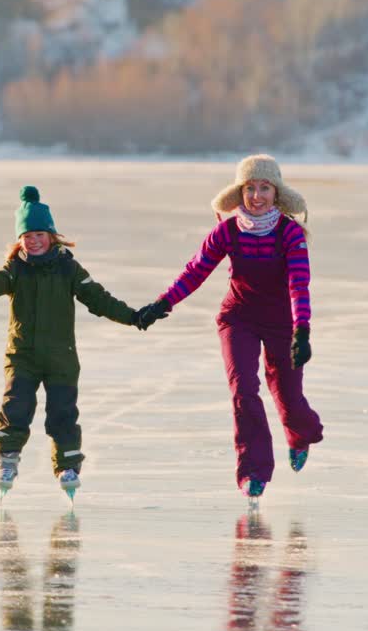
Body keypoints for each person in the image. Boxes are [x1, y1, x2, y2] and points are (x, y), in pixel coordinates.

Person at [135, 154, 323, 499]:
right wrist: (163, 303)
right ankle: (253, 471)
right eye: (250, 188)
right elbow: (196, 270)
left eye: (264, 188)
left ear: (276, 193)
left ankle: (301, 434)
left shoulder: (290, 234)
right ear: (240, 193)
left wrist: (302, 331)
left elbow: (299, 284)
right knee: (243, 389)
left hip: (283, 322)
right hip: (239, 318)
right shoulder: (227, 231)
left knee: (290, 399)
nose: (257, 195)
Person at [0, 186, 162, 498]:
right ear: (20, 240)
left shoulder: (69, 268)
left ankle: (67, 466)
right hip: (23, 356)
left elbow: (99, 299)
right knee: (16, 405)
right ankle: (7, 458)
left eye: (40, 234)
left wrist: (134, 317)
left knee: (62, 413)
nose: (34, 240)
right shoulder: (15, 269)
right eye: (27, 235)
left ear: (52, 235)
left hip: (61, 358)